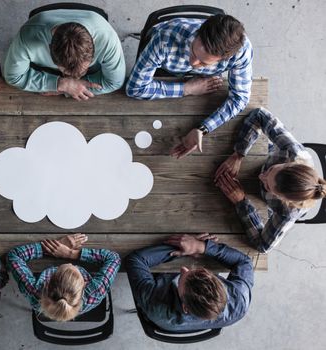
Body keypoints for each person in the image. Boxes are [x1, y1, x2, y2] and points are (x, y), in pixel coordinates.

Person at [126, 14, 253, 158]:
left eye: (203, 63)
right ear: (198, 32)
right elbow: (135, 88)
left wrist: (203, 129)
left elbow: (240, 99)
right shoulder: (164, 39)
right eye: (193, 51)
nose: (193, 63)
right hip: (168, 67)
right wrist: (187, 89)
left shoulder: (242, 51)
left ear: (225, 58)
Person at [215, 108, 326, 253]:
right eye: (271, 170)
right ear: (289, 163)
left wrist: (241, 202)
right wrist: (239, 153)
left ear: (282, 198)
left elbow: (263, 246)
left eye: (268, 186)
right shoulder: (293, 151)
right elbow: (260, 114)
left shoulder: (289, 212)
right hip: (259, 158)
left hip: (259, 200)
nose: (262, 177)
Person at [126, 233, 253, 331]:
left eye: (181, 278)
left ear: (185, 307)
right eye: (198, 270)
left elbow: (135, 260)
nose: (183, 269)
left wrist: (179, 250)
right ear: (219, 284)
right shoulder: (240, 302)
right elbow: (245, 262)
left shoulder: (154, 304)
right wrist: (201, 247)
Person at [4, 9, 125, 100]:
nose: (75, 77)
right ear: (50, 48)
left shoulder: (108, 39)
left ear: (94, 47)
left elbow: (115, 82)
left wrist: (67, 88)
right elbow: (13, 76)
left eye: (83, 70)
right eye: (66, 72)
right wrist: (60, 84)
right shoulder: (27, 37)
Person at [7, 233, 120, 321]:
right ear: (84, 284)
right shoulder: (96, 291)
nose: (71, 264)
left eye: (64, 266)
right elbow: (114, 258)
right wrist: (70, 253)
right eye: (75, 269)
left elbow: (14, 256)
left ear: (48, 281)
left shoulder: (35, 293)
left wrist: (51, 248)